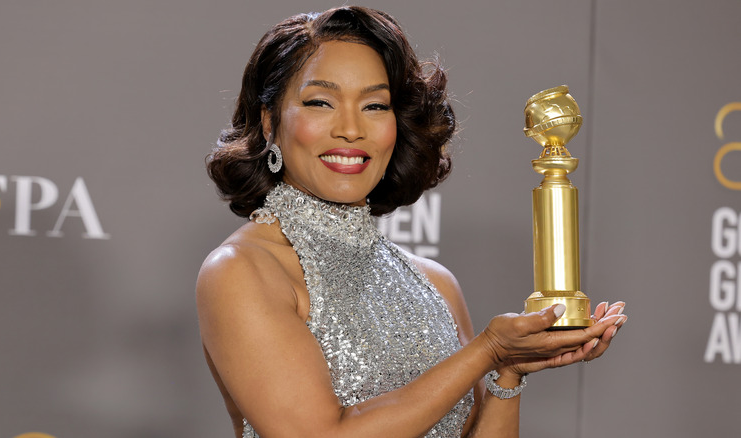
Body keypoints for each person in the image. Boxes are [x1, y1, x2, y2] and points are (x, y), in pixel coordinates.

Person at [197, 6, 627, 438]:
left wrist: (508, 371)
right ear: (270, 121)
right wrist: (487, 350)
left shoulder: (436, 284)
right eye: (321, 102)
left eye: (374, 105)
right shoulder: (240, 271)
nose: (351, 129)